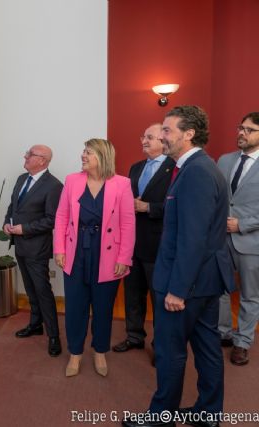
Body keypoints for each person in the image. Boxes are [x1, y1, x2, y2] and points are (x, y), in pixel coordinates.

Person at [122, 106, 234, 427]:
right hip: (203, 281)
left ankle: (161, 417)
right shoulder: (195, 167)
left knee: (171, 351)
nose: (162, 137)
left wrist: (177, 289)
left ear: (189, 134)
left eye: (168, 131)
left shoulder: (196, 171)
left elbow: (192, 239)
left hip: (187, 283)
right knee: (207, 347)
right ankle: (208, 413)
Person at [53, 138, 135, 377]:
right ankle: (75, 354)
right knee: (75, 306)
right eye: (83, 152)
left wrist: (124, 258)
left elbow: (128, 224)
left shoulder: (122, 184)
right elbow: (60, 217)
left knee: (102, 307)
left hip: (108, 253)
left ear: (102, 156)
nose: (83, 156)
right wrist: (59, 249)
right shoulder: (72, 181)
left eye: (88, 152)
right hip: (76, 250)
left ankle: (100, 351)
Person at [113, 124, 175, 355]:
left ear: (163, 139)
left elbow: (178, 206)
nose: (144, 141)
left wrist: (148, 207)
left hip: (158, 244)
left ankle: (161, 347)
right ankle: (134, 336)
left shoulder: (175, 168)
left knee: (158, 300)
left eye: (149, 137)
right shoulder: (136, 167)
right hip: (132, 244)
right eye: (143, 136)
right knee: (132, 294)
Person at [3, 145, 63, 357]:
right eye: (27, 153)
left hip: (37, 248)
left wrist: (24, 229)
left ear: (43, 161)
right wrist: (7, 223)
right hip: (19, 245)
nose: (25, 156)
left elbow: (52, 220)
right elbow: (13, 206)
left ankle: (54, 336)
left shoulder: (54, 186)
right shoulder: (21, 179)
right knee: (30, 289)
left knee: (43, 291)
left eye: (30, 154)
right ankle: (35, 324)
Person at [218, 112, 259, 366]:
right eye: (240, 127)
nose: (241, 133)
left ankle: (242, 342)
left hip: (251, 242)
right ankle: (222, 333)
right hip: (220, 239)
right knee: (219, 289)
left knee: (250, 295)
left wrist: (242, 224)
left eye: (249, 129)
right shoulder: (224, 160)